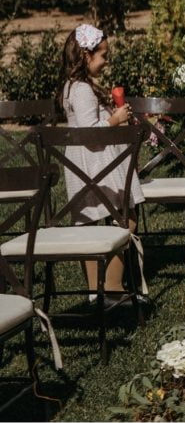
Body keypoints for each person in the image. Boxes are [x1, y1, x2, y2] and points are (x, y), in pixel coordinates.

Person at [58, 23, 144, 307]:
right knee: (125, 216)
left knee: (90, 223)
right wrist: (115, 119)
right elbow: (91, 133)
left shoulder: (72, 87)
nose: (106, 61)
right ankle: (114, 288)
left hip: (85, 164)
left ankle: (96, 289)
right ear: (85, 55)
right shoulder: (82, 89)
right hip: (97, 164)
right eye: (103, 55)